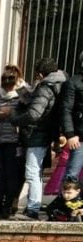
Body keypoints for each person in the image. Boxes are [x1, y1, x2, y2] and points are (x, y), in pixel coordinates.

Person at [8, 57, 67, 219]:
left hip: (37, 134)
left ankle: (32, 209)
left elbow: (34, 113)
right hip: (52, 133)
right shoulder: (63, 83)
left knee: (32, 172)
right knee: (38, 171)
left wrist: (15, 119)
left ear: (41, 74)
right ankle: (34, 203)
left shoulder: (45, 87)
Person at [0, 70, 24, 219]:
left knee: (11, 176)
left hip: (13, 141)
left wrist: (11, 113)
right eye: (6, 82)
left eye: (11, 83)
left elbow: (25, 115)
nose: (9, 87)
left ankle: (8, 207)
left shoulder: (21, 94)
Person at [62, 51, 83, 183]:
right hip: (79, 138)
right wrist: (70, 134)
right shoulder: (73, 82)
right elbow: (66, 110)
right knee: (72, 176)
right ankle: (66, 203)